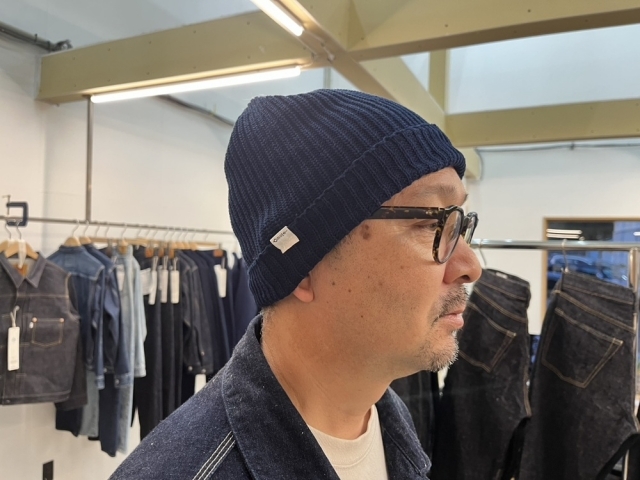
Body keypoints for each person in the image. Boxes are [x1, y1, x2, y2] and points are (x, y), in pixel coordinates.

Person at [110, 89, 482, 479]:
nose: (471, 266)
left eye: (461, 224)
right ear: (304, 266)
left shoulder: (383, 415)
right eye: (431, 223)